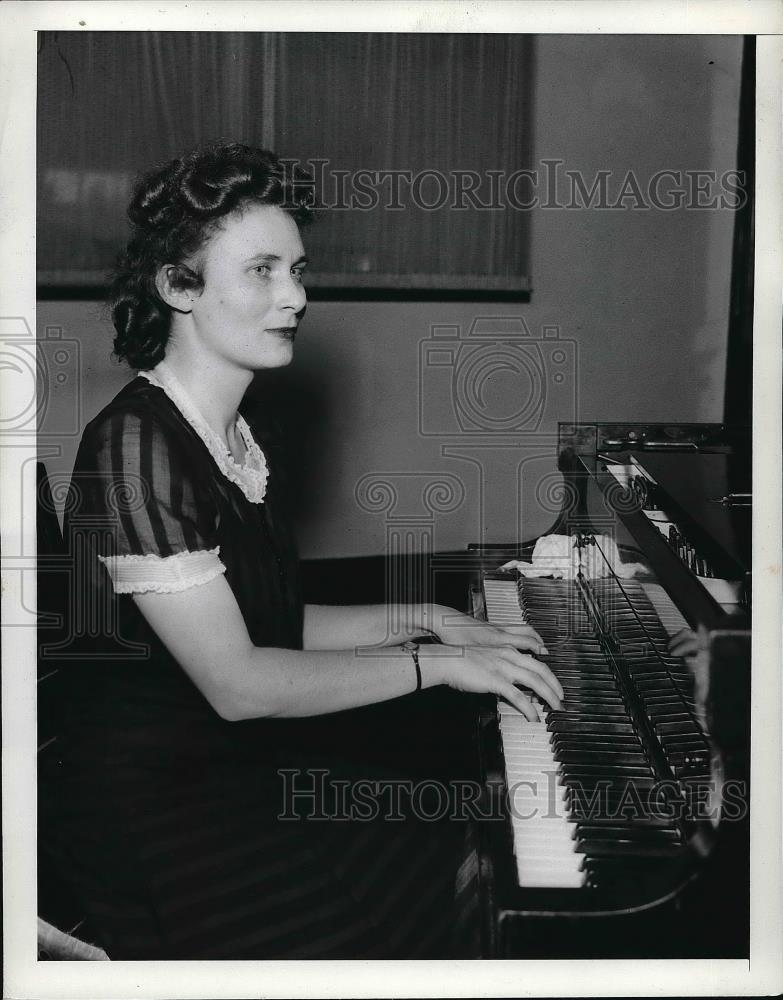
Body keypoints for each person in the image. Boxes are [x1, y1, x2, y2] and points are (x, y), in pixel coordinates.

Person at [39, 142, 563, 960]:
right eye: (261, 271)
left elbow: (268, 619)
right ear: (178, 286)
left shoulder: (223, 434)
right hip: (156, 817)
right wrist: (436, 666)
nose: (296, 295)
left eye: (298, 268)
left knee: (470, 848)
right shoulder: (134, 448)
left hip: (221, 774)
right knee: (455, 881)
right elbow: (242, 684)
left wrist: (429, 619)